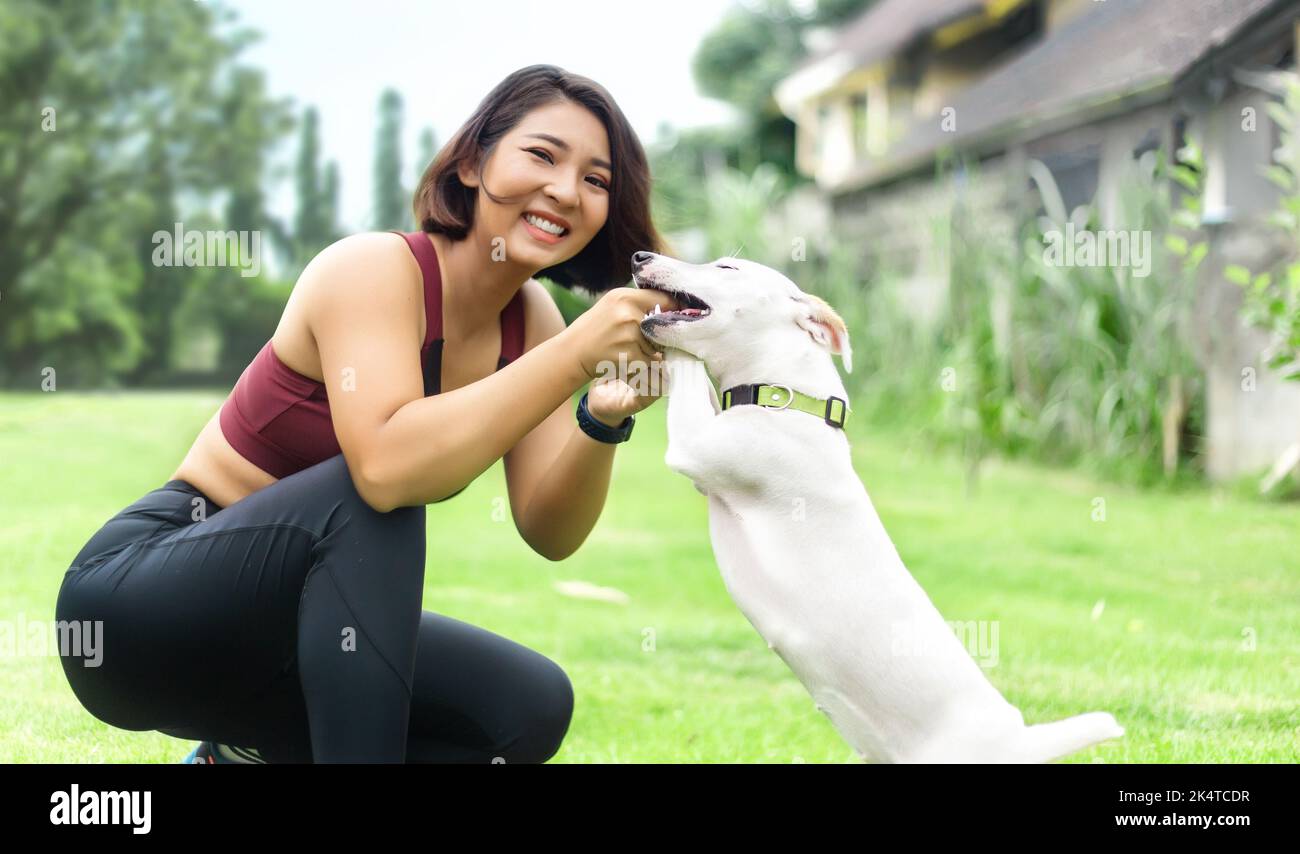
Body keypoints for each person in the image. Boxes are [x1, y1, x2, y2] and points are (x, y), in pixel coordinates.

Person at [54, 64, 683, 763]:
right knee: (373, 497)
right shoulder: (374, 270)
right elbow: (384, 470)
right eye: (542, 155)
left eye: (597, 181)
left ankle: (235, 759)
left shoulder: (529, 321)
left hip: (278, 648)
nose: (565, 191)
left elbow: (549, 529)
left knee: (526, 705)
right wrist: (572, 356)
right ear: (472, 162)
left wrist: (600, 419)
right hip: (141, 607)